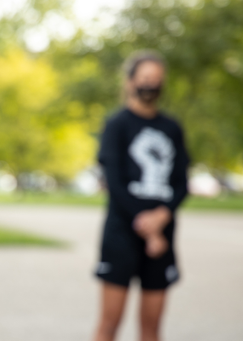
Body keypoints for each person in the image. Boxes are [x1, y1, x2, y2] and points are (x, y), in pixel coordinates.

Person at [93, 51, 189, 341]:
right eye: (145, 78)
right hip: (122, 234)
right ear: (131, 81)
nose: (151, 84)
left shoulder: (172, 128)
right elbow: (115, 184)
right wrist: (148, 228)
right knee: (109, 324)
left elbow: (181, 183)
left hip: (163, 237)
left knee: (152, 327)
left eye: (157, 80)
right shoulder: (117, 124)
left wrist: (162, 216)